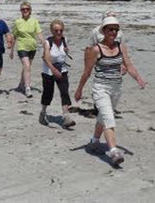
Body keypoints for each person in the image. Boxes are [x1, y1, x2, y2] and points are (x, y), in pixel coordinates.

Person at [74, 17, 146, 167]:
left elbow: (129, 65)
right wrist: (79, 89)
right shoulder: (96, 49)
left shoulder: (121, 47)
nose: (113, 32)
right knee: (109, 118)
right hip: (100, 89)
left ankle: (94, 142)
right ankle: (114, 152)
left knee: (103, 117)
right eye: (110, 29)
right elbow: (87, 72)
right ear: (104, 31)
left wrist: (138, 78)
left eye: (116, 29)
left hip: (116, 89)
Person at [39, 19, 75, 128]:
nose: (59, 32)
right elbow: (45, 58)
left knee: (64, 91)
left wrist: (66, 50)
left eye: (60, 30)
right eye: (56, 30)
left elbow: (62, 54)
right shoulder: (47, 42)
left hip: (62, 69)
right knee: (48, 93)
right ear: (51, 31)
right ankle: (43, 112)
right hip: (49, 71)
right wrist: (54, 70)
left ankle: (66, 117)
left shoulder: (65, 40)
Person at [10, 1, 45, 98]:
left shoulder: (34, 21)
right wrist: (11, 50)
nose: (25, 10)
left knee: (27, 67)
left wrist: (45, 44)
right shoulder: (18, 22)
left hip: (32, 47)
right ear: (21, 11)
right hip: (22, 47)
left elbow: (39, 34)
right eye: (23, 9)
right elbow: (14, 37)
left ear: (30, 11)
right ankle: (28, 88)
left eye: (27, 9)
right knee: (27, 66)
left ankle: (21, 84)